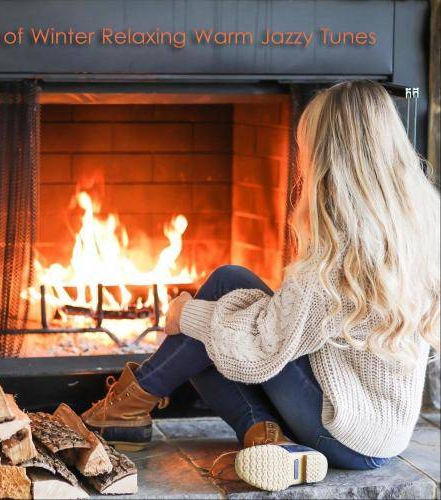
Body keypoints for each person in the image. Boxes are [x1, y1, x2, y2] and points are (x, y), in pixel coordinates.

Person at [81, 81, 440, 492]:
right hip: (383, 438)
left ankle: (127, 406)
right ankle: (270, 442)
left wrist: (186, 314)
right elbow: (283, 333)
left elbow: (264, 344)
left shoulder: (336, 248)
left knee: (216, 315)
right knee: (229, 293)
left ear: (328, 157)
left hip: (340, 432)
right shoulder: (419, 220)